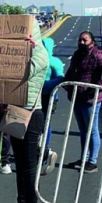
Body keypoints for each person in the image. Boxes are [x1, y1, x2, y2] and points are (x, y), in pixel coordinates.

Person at [2, 23, 49, 203]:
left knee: (29, 168)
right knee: (19, 165)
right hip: (16, 111)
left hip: (32, 114)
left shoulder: (40, 54)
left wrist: (26, 50)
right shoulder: (23, 52)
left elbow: (22, 72)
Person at [63, 31, 102, 173]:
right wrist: (66, 83)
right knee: (83, 131)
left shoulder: (97, 56)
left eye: (85, 40)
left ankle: (92, 162)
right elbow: (71, 71)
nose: (81, 42)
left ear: (92, 42)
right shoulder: (76, 55)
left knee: (92, 130)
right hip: (76, 98)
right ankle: (84, 158)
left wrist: (97, 87)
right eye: (80, 40)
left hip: (90, 100)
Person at [40, 37, 65, 175]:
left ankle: (46, 148)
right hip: (35, 96)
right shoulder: (37, 58)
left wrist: (46, 85)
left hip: (49, 96)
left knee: (45, 123)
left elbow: (60, 78)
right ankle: (42, 151)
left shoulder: (55, 62)